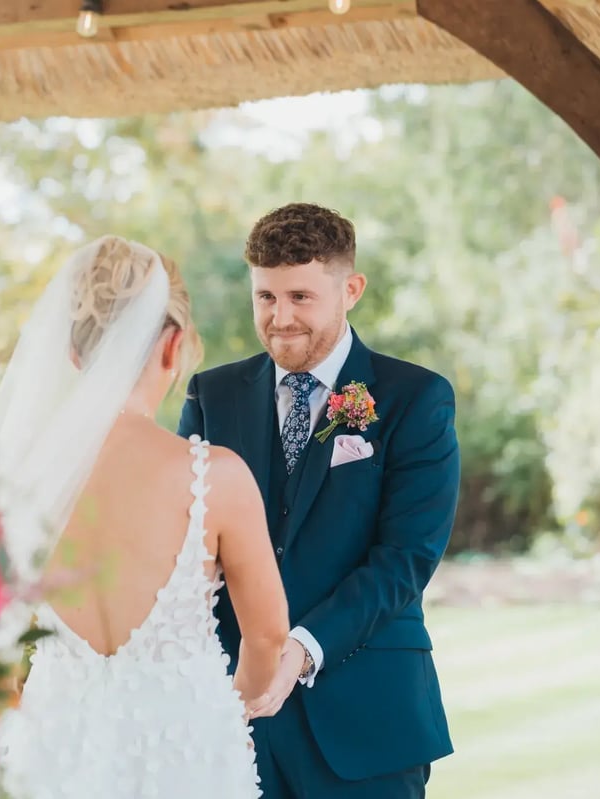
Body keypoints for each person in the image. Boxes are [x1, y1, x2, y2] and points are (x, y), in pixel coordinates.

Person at [0, 235, 290, 799]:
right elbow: (268, 634)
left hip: (54, 745)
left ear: (73, 355)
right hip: (187, 748)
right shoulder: (214, 476)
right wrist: (232, 713)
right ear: (173, 347)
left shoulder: (21, 479)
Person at [178, 203, 461, 799]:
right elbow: (182, 539)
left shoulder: (417, 398)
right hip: (233, 717)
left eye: (301, 297)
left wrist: (303, 648)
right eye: (266, 298)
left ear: (350, 288)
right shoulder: (213, 394)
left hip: (369, 718)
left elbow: (406, 558)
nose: (280, 318)